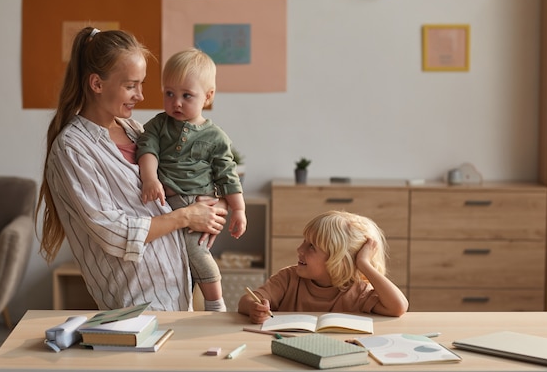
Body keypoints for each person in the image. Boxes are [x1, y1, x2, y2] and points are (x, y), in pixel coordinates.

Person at [37, 27, 228, 312]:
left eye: (142, 84)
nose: (140, 96)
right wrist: (186, 215)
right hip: (134, 306)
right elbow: (112, 232)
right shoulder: (72, 148)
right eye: (131, 85)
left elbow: (185, 179)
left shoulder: (137, 131)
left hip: (177, 294)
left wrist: (213, 205)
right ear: (97, 84)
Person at [136, 47, 246, 312]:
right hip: (167, 202)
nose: (176, 102)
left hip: (198, 202)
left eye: (187, 95)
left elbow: (227, 174)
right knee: (179, 256)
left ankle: (215, 303)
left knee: (196, 251)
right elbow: (146, 149)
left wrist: (238, 209)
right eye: (169, 93)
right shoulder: (158, 125)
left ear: (207, 97)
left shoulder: (215, 137)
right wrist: (150, 179)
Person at [238, 210, 409, 323]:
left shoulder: (357, 291)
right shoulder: (288, 278)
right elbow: (246, 301)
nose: (300, 249)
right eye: (304, 242)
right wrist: (254, 308)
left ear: (339, 259)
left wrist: (364, 264)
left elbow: (398, 307)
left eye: (311, 246)